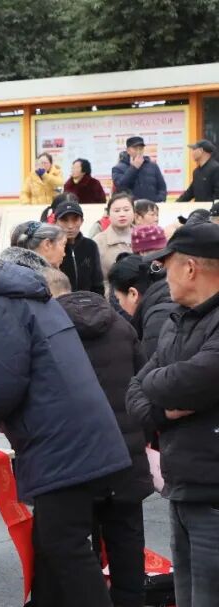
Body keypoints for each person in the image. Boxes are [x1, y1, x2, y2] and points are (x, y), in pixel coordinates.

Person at [0, 224, 132, 607]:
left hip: (61, 441)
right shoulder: (24, 292)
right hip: (79, 433)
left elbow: (5, 383)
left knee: (64, 547)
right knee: (50, 545)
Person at [124, 220, 219, 606]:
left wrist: (157, 385)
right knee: (187, 596)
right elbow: (136, 390)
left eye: (168, 265)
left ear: (190, 268)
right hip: (182, 487)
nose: (163, 276)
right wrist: (165, 411)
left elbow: (191, 380)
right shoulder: (179, 319)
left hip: (212, 495)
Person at [45, 268, 152, 607]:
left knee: (77, 548)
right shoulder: (121, 325)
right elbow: (144, 380)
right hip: (126, 453)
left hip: (77, 457)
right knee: (127, 541)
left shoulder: (49, 330)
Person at [54, 195, 105, 294]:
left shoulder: (91, 246)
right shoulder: (52, 247)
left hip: (88, 301)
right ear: (56, 222)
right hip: (61, 301)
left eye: (75, 219)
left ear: (82, 221)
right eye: (64, 220)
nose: (70, 226)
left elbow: (98, 283)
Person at [93, 192, 136, 278]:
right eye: (117, 211)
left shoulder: (144, 236)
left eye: (126, 210)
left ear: (134, 212)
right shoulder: (98, 241)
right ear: (108, 214)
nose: (122, 214)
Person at [113, 137, 168, 202]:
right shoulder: (118, 168)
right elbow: (120, 187)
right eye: (135, 149)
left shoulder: (153, 166)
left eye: (141, 149)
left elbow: (162, 188)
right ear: (128, 150)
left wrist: (159, 200)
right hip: (132, 206)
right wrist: (134, 168)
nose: (138, 151)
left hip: (151, 205)